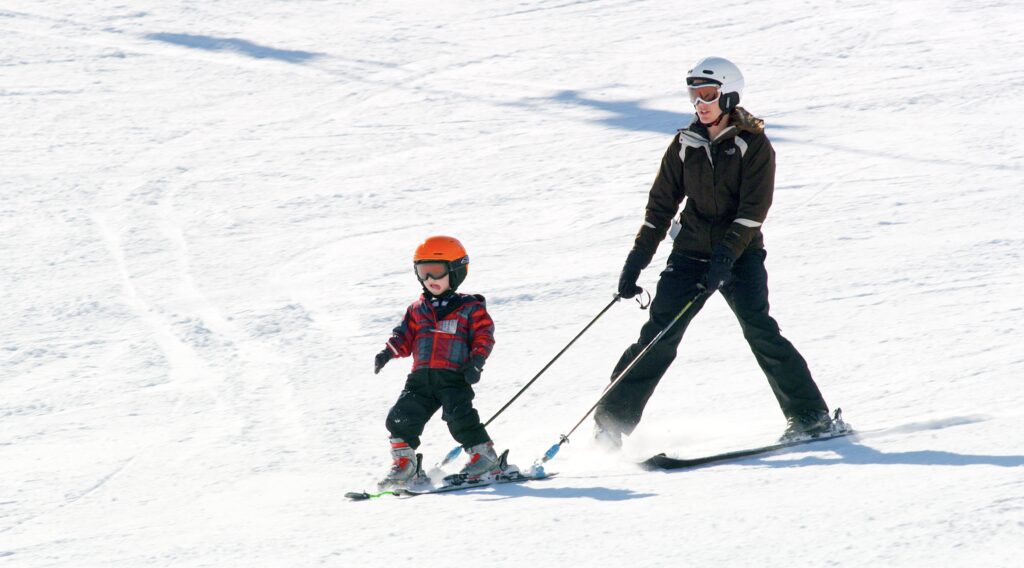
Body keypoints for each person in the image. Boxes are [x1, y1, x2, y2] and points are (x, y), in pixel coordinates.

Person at [594, 56, 833, 449]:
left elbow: (752, 214)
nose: (700, 102)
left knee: (760, 329)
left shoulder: (752, 145)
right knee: (658, 336)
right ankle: (609, 426)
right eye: (695, 94)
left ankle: (811, 418)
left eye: (708, 94)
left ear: (729, 95)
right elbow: (658, 212)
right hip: (689, 256)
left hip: (740, 257)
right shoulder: (685, 144)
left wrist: (724, 260)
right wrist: (634, 264)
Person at [373, 235, 500, 488]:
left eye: (436, 272)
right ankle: (405, 465)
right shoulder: (417, 310)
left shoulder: (469, 307)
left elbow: (484, 336)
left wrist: (476, 362)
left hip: (454, 377)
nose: (429, 279)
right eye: (423, 272)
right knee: (399, 417)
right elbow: (403, 337)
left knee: (459, 416)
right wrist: (387, 353)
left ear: (455, 270)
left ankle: (484, 457)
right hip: (420, 378)